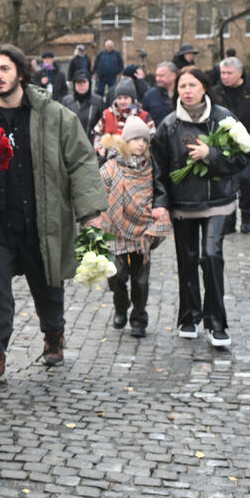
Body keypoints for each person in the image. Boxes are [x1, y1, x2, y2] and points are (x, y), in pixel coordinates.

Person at [0, 44, 107, 387]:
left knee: (47, 284)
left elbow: (81, 161)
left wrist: (91, 213)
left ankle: (54, 335)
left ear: (20, 72)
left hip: (41, 219)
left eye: (4, 69)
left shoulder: (54, 115)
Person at [152, 67, 249, 347]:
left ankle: (217, 322)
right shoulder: (168, 125)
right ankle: (189, 316)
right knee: (187, 259)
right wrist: (161, 204)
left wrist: (212, 155)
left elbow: (242, 158)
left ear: (204, 87)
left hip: (218, 202)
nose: (187, 91)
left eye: (192, 85)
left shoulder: (224, 119)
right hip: (184, 205)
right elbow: (158, 172)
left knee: (211, 255)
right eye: (182, 86)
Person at [98, 116, 172, 338]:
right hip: (116, 231)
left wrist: (160, 212)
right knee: (116, 276)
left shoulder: (151, 168)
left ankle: (139, 318)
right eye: (136, 139)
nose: (141, 143)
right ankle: (121, 306)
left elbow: (159, 191)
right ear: (125, 141)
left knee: (141, 280)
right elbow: (98, 194)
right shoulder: (111, 167)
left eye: (145, 139)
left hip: (142, 232)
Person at [210, 56, 250, 234]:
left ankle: (246, 215)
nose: (225, 76)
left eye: (229, 73)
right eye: (222, 72)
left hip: (246, 144)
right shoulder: (215, 92)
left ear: (240, 73)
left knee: (244, 179)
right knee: (228, 182)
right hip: (222, 146)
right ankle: (229, 219)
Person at [93, 79, 156, 157]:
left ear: (132, 99)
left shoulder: (143, 115)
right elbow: (97, 134)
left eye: (126, 98)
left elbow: (152, 137)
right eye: (119, 98)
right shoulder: (107, 114)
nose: (122, 101)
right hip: (111, 162)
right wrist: (100, 148)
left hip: (137, 162)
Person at [60, 70, 104, 142]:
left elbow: (103, 124)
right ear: (74, 84)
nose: (81, 85)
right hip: (71, 145)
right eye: (78, 83)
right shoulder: (66, 102)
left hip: (92, 145)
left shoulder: (98, 101)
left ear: (89, 83)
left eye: (84, 82)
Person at [142, 61, 177, 126]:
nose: (157, 79)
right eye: (157, 75)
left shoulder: (183, 95)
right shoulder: (150, 96)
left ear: (173, 75)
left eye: (161, 76)